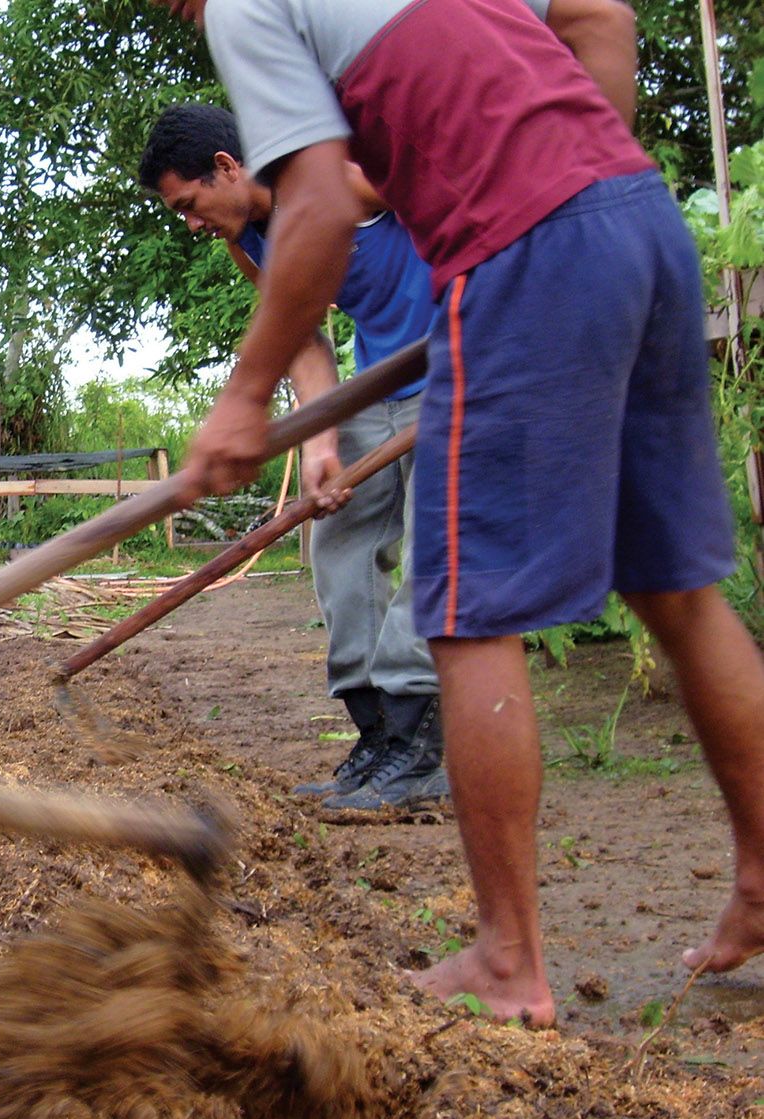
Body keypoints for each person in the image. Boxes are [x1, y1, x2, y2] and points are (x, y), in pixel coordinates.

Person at [150, 0, 764, 1026]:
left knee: (462, 607)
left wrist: (242, 395)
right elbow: (595, 13)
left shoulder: (249, 7)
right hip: (638, 220)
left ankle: (505, 957)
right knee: (676, 593)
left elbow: (318, 210)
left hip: (525, 252)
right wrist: (581, 182)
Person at [139, 103, 445, 812]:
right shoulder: (249, 240)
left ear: (228, 167)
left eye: (189, 205)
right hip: (377, 380)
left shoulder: (341, 182)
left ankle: (421, 746)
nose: (190, 223)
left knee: (437, 553)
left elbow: (456, 210)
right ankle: (379, 736)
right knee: (338, 537)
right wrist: (322, 440)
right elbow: (304, 337)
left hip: (458, 364)